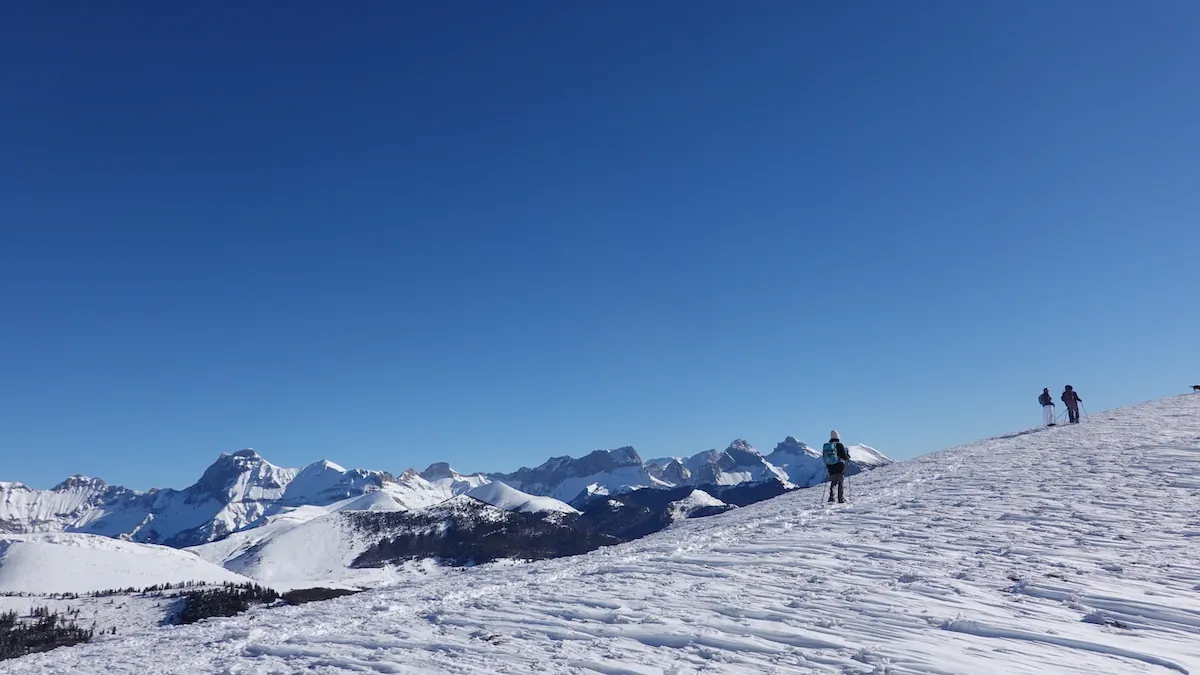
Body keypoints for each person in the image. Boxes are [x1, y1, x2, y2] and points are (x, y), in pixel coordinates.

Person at [821, 430, 852, 503]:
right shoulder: (839, 445)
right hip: (839, 466)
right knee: (840, 482)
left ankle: (831, 497)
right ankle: (840, 498)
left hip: (830, 467)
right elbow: (844, 456)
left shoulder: (828, 446)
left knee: (833, 482)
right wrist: (847, 456)